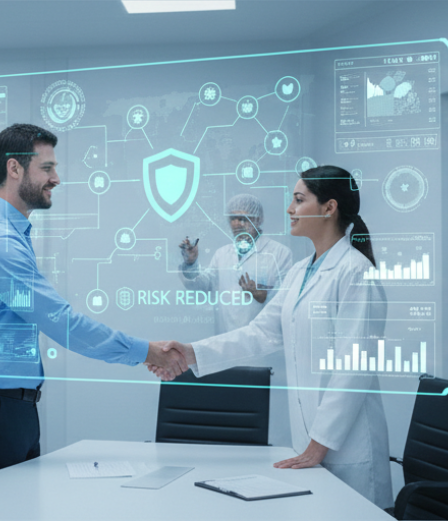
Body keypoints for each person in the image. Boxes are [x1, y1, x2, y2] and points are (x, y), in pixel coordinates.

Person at [0, 123, 188, 482]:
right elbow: (61, 321)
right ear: (14, 168)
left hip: (10, 408)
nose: (55, 178)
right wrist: (146, 352)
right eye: (46, 168)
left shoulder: (9, 233)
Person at [153, 165, 393, 508]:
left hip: (346, 448)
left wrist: (319, 443)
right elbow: (261, 333)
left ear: (329, 208)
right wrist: (190, 352)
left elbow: (354, 368)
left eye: (299, 200)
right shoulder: (301, 271)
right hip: (309, 444)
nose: (289, 209)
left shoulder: (355, 271)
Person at [177, 193, 293, 333]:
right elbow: (201, 285)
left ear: (258, 219)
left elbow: (286, 301)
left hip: (262, 341)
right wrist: (191, 263)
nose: (236, 224)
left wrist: (262, 294)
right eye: (233, 219)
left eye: (242, 218)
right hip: (225, 337)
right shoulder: (222, 254)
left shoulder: (279, 253)